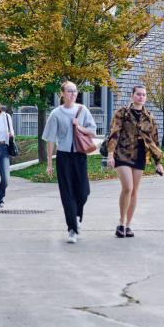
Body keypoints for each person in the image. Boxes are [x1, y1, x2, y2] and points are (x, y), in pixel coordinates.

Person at [106, 85, 164, 238]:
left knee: (134, 191)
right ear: (132, 96)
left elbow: (154, 140)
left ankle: (128, 225)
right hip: (123, 153)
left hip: (140, 155)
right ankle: (120, 222)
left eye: (144, 95)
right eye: (138, 94)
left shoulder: (149, 117)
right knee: (128, 187)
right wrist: (110, 154)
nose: (141, 97)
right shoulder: (122, 113)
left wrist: (158, 162)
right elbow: (114, 134)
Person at [42, 81, 97, 243]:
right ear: (62, 94)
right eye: (69, 91)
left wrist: (79, 127)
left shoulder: (83, 110)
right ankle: (72, 228)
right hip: (64, 157)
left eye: (75, 91)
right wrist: (49, 164)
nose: (73, 93)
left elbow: (92, 131)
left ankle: (77, 217)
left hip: (80, 156)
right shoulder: (56, 114)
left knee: (83, 192)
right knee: (67, 194)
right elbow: (50, 139)